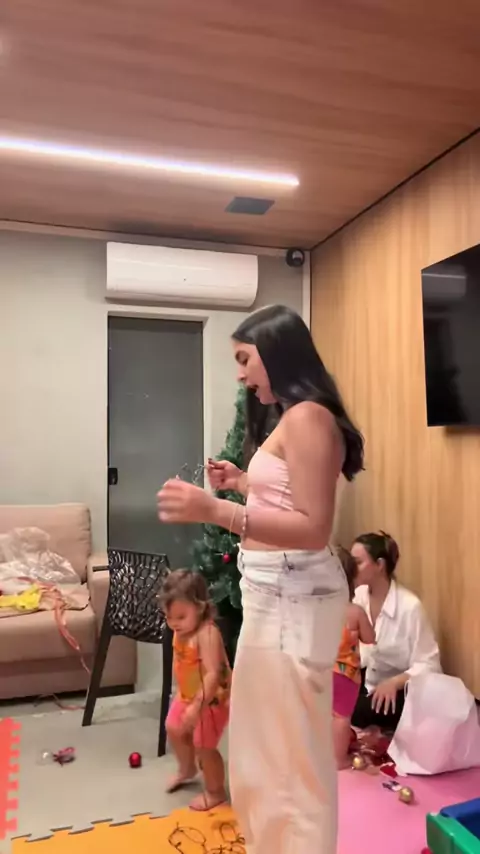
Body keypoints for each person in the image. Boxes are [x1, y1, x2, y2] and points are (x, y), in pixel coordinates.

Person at [157, 304, 364, 854]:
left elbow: (313, 528)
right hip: (275, 595)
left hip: (293, 600)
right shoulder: (296, 416)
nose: (241, 374)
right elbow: (291, 495)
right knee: (264, 754)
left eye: (245, 359)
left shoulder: (310, 417)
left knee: (289, 761)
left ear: (277, 353)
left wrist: (216, 509)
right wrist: (243, 483)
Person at [351, 531, 442, 731]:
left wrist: (394, 683)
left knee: (357, 711)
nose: (351, 569)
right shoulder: (359, 596)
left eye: (357, 563)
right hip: (367, 682)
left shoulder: (410, 607)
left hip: (401, 690)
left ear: (380, 565)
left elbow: (430, 665)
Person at [160, 570, 231, 811]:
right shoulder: (180, 630)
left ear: (200, 607)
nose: (174, 623)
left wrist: (197, 705)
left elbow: (212, 675)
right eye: (169, 616)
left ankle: (216, 791)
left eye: (181, 616)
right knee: (173, 727)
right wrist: (182, 693)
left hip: (211, 700)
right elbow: (181, 661)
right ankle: (187, 769)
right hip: (189, 694)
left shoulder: (207, 634)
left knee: (204, 746)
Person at [333, 547, 375, 768]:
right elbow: (369, 638)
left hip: (319, 670)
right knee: (341, 717)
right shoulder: (354, 611)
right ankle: (339, 759)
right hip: (345, 674)